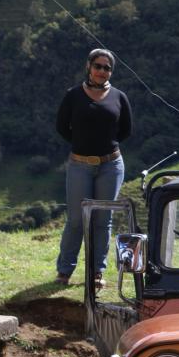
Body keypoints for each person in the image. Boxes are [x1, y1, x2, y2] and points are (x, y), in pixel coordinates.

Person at [54, 49, 132, 287]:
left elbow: (125, 130)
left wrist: (103, 148)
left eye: (107, 68)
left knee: (103, 220)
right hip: (79, 165)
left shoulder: (119, 97)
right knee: (76, 220)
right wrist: (82, 146)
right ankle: (64, 271)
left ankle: (97, 271)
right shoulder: (73, 95)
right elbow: (61, 127)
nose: (102, 71)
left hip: (111, 166)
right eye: (98, 66)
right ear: (88, 67)